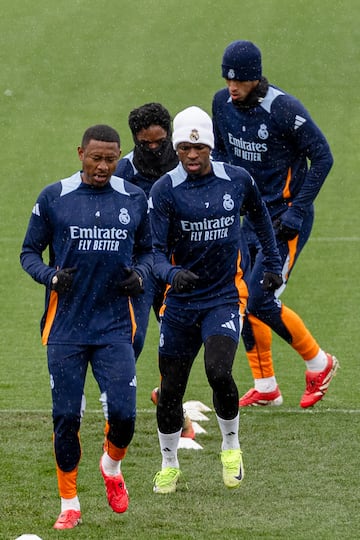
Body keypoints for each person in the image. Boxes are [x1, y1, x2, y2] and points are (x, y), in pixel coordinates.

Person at [20, 125, 153, 529]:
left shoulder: (133, 198)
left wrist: (143, 275)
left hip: (115, 326)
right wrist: (51, 277)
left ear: (118, 157)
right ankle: (70, 503)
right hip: (66, 328)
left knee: (126, 416)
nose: (102, 165)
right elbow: (28, 252)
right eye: (95, 157)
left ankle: (111, 467)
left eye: (111, 159)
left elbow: (149, 249)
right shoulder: (54, 198)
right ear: (81, 153)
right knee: (65, 417)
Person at [149, 106, 283, 494]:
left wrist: (272, 263)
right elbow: (154, 252)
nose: (192, 155)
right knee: (171, 387)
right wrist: (173, 274)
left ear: (210, 146)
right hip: (179, 304)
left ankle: (231, 446)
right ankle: (169, 464)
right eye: (185, 149)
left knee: (219, 371)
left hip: (223, 298)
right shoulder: (165, 191)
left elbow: (260, 217)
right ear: (176, 148)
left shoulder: (236, 181)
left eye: (200, 147)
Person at [212, 40, 339, 408]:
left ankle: (320, 363)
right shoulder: (222, 103)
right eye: (227, 79)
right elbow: (221, 150)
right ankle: (266, 385)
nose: (231, 87)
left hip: (284, 221)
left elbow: (323, 156)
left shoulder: (283, 109)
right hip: (247, 216)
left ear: (255, 77)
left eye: (239, 80)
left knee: (261, 296)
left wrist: (298, 209)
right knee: (243, 295)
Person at [114, 102, 194, 439]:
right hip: (138, 270)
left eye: (159, 142)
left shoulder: (185, 166)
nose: (152, 148)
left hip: (175, 268)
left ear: (170, 136)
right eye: (144, 143)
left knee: (181, 344)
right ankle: (118, 412)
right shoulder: (121, 173)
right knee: (133, 340)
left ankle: (168, 398)